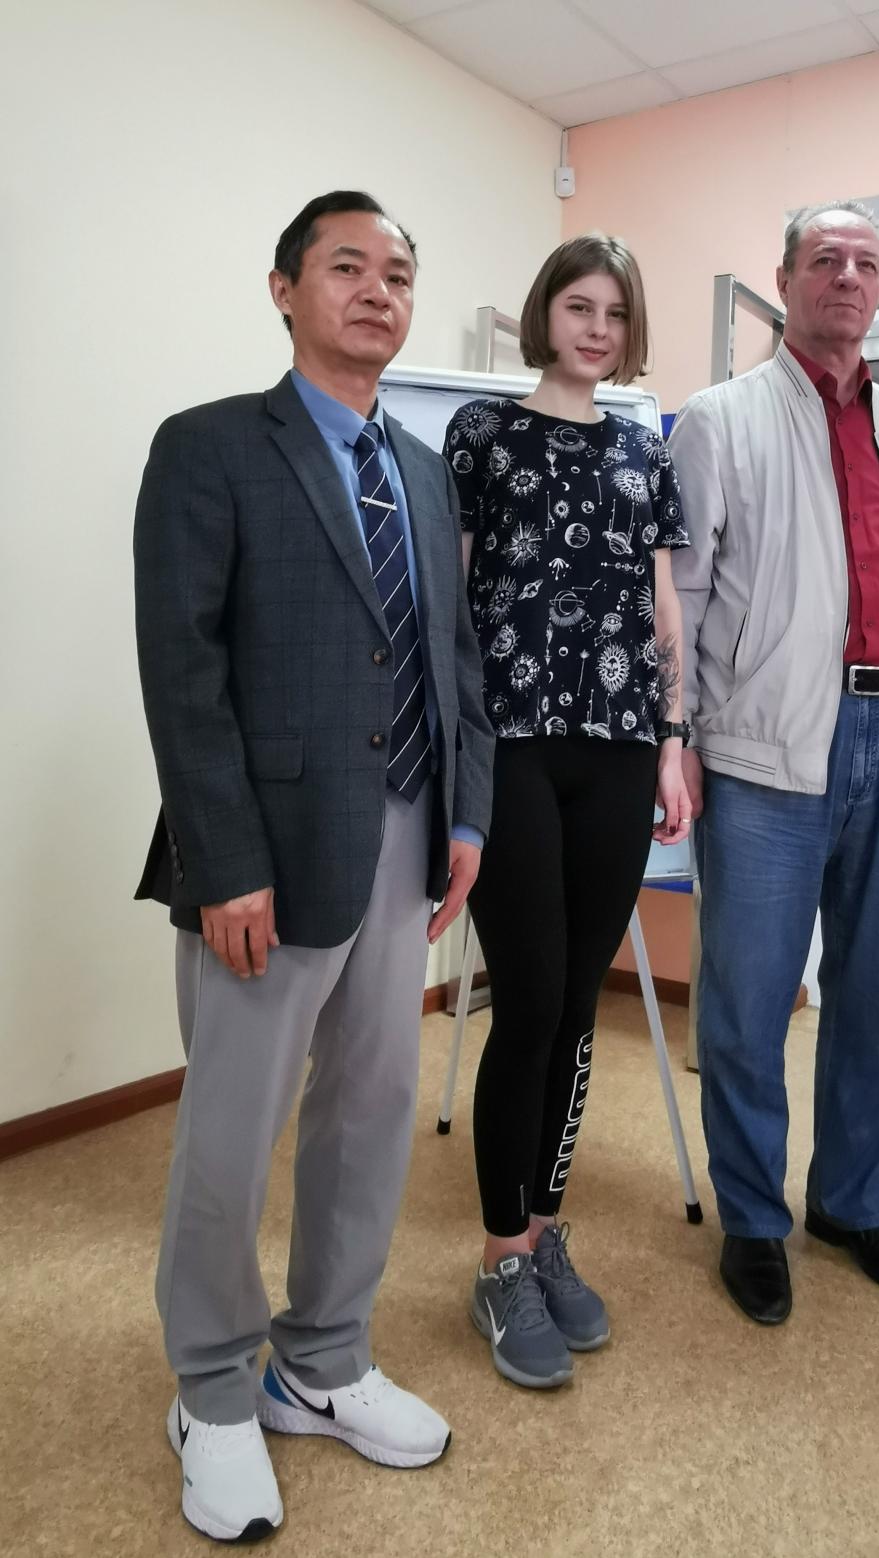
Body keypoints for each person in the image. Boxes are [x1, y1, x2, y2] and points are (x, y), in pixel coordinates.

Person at [134, 190, 493, 1542]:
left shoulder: (426, 469)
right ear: (285, 288)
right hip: (263, 857)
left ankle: (324, 1356)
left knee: (372, 1106)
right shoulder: (211, 447)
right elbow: (183, 669)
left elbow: (454, 658)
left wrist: (467, 819)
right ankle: (213, 1387)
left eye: (398, 271)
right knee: (233, 1126)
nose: (378, 290)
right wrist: (223, 859)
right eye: (348, 266)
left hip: (405, 841)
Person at [668, 200, 879, 1325]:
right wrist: (677, 738)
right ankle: (755, 1219)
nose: (847, 276)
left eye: (865, 262)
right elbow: (679, 594)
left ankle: (850, 1203)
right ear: (788, 279)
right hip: (764, 747)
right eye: (824, 259)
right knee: (748, 1001)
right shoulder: (718, 421)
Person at [444, 233, 691, 1390]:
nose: (597, 328)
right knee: (531, 998)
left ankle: (543, 1232)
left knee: (579, 1006)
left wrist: (674, 741)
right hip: (510, 747)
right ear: (545, 313)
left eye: (615, 313)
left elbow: (661, 611)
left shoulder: (646, 450)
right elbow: (451, 601)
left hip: (621, 749)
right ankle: (500, 1255)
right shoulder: (480, 435)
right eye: (579, 306)